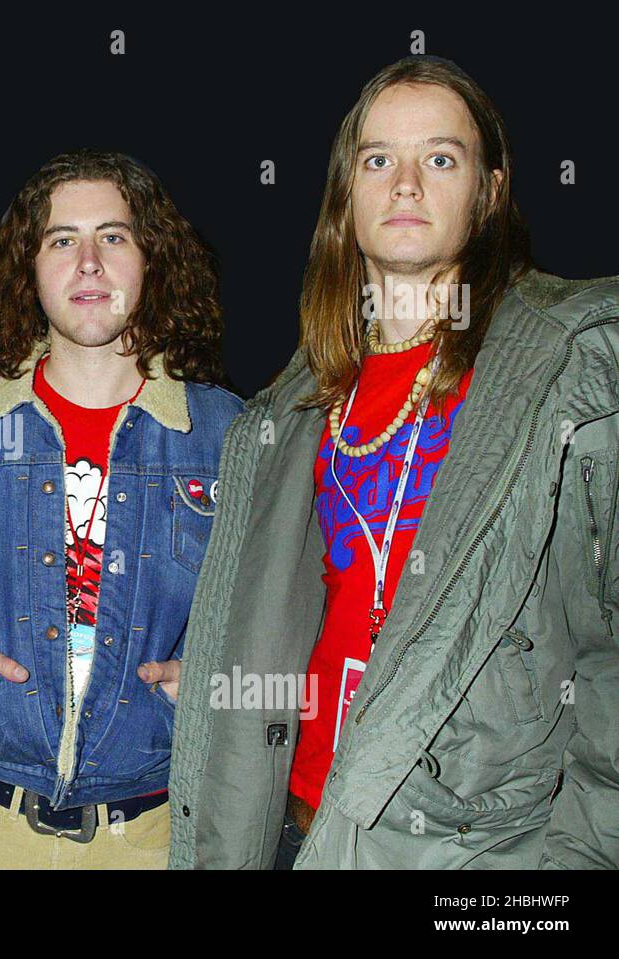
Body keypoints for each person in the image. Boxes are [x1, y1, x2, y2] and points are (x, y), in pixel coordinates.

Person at [167, 55, 619, 869]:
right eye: (378, 159)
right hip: (301, 822)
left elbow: (610, 658)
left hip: (472, 848)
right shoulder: (293, 403)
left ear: (488, 191)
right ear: (346, 193)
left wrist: (575, 867)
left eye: (440, 158)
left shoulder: (566, 371)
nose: (405, 183)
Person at [0, 149, 243, 868]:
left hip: (152, 828)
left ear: (153, 259)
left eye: (113, 236)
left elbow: (271, 610)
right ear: (29, 267)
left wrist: (213, 678)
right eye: (60, 239)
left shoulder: (228, 435)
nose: (87, 262)